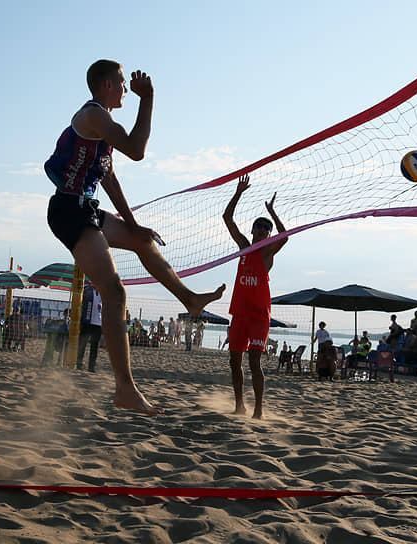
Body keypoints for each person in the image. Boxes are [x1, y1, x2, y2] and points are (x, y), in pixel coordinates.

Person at [44, 59, 225, 414]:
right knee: (114, 291)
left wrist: (133, 224)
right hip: (69, 211)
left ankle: (189, 299)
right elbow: (138, 150)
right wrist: (149, 98)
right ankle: (125, 390)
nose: (127, 88)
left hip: (87, 206)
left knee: (143, 242)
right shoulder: (95, 117)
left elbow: (108, 180)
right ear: (108, 85)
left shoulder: (101, 131)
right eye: (123, 84)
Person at [222, 173, 288, 418]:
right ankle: (239, 405)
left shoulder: (267, 254)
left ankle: (258, 410)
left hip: (259, 316)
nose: (261, 230)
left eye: (265, 229)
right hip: (239, 314)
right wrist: (239, 192)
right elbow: (227, 218)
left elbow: (286, 236)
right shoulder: (244, 247)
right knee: (234, 362)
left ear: (268, 235)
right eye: (258, 227)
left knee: (254, 361)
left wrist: (272, 212)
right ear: (252, 230)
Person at [77, 284, 103, 371]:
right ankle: (79, 364)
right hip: (86, 321)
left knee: (94, 347)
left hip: (98, 323)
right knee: (82, 344)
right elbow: (79, 303)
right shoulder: (86, 289)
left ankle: (91, 367)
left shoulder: (103, 291)